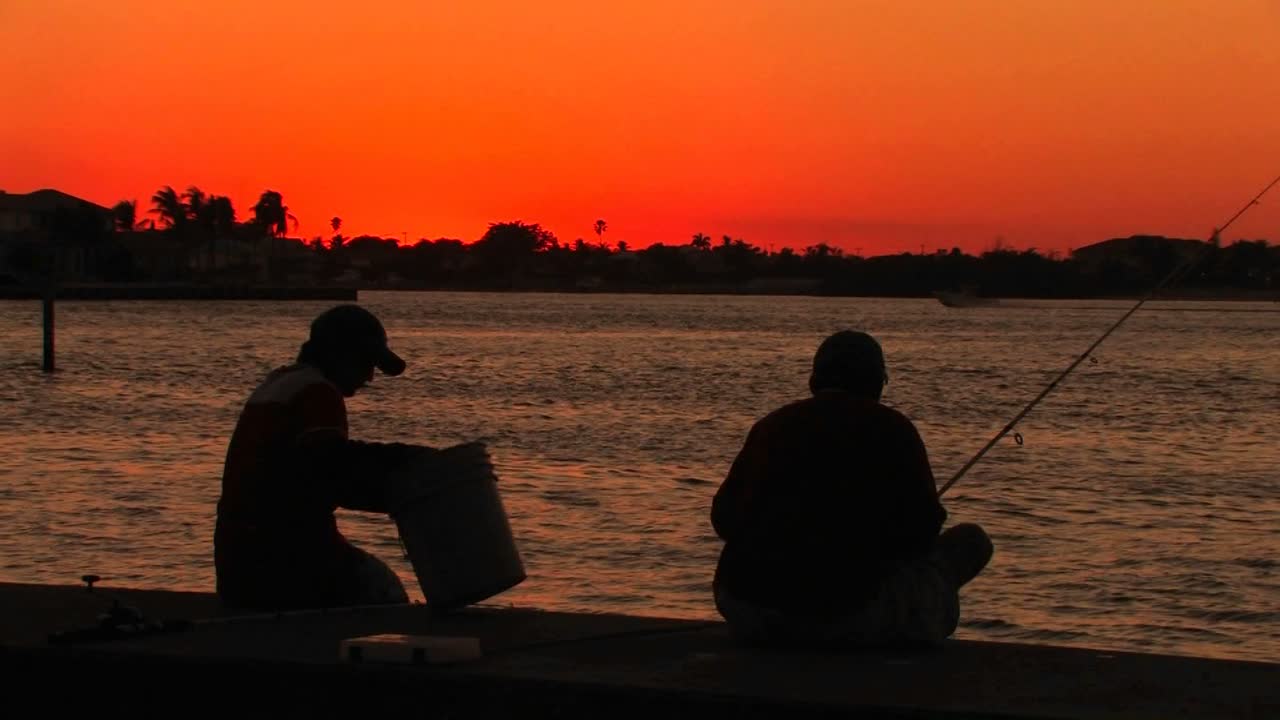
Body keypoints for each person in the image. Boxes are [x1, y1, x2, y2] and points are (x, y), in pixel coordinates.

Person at [710, 330, 993, 649]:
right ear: (876, 382)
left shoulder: (771, 425)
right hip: (849, 615)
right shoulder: (894, 429)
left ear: (814, 380)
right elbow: (922, 533)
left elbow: (723, 518)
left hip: (748, 608)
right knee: (972, 542)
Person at [214, 304, 430, 611]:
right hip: (283, 559)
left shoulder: (277, 384)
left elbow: (313, 470)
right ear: (340, 355)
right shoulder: (318, 393)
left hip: (235, 558)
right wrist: (407, 472)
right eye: (365, 363)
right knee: (384, 592)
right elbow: (330, 471)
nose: (369, 377)